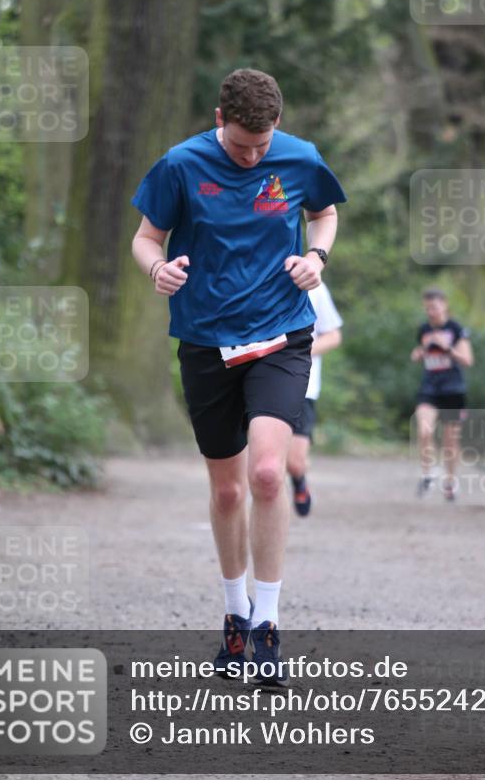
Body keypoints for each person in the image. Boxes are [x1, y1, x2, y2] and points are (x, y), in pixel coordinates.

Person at [130, 68, 346, 682]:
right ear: (218, 115)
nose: (254, 157)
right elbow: (147, 237)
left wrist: (316, 257)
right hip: (205, 339)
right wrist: (157, 271)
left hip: (280, 333)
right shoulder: (180, 164)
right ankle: (234, 617)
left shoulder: (299, 158)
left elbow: (324, 214)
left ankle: (269, 624)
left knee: (270, 473)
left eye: (263, 144)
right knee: (228, 491)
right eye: (241, 145)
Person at [410, 288, 474, 502]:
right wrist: (421, 350)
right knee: (424, 431)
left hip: (453, 390)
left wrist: (448, 349)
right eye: (427, 308)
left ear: (444, 305)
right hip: (429, 388)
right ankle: (428, 473)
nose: (431, 312)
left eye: (434, 307)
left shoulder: (456, 329)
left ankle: (450, 481)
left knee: (450, 441)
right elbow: (417, 354)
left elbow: (467, 360)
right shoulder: (424, 330)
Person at [286, 283, 343, 517]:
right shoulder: (254, 276)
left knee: (294, 462)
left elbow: (333, 335)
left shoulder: (313, 285)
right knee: (268, 462)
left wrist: (299, 351)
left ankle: (299, 481)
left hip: (303, 386)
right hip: (259, 384)